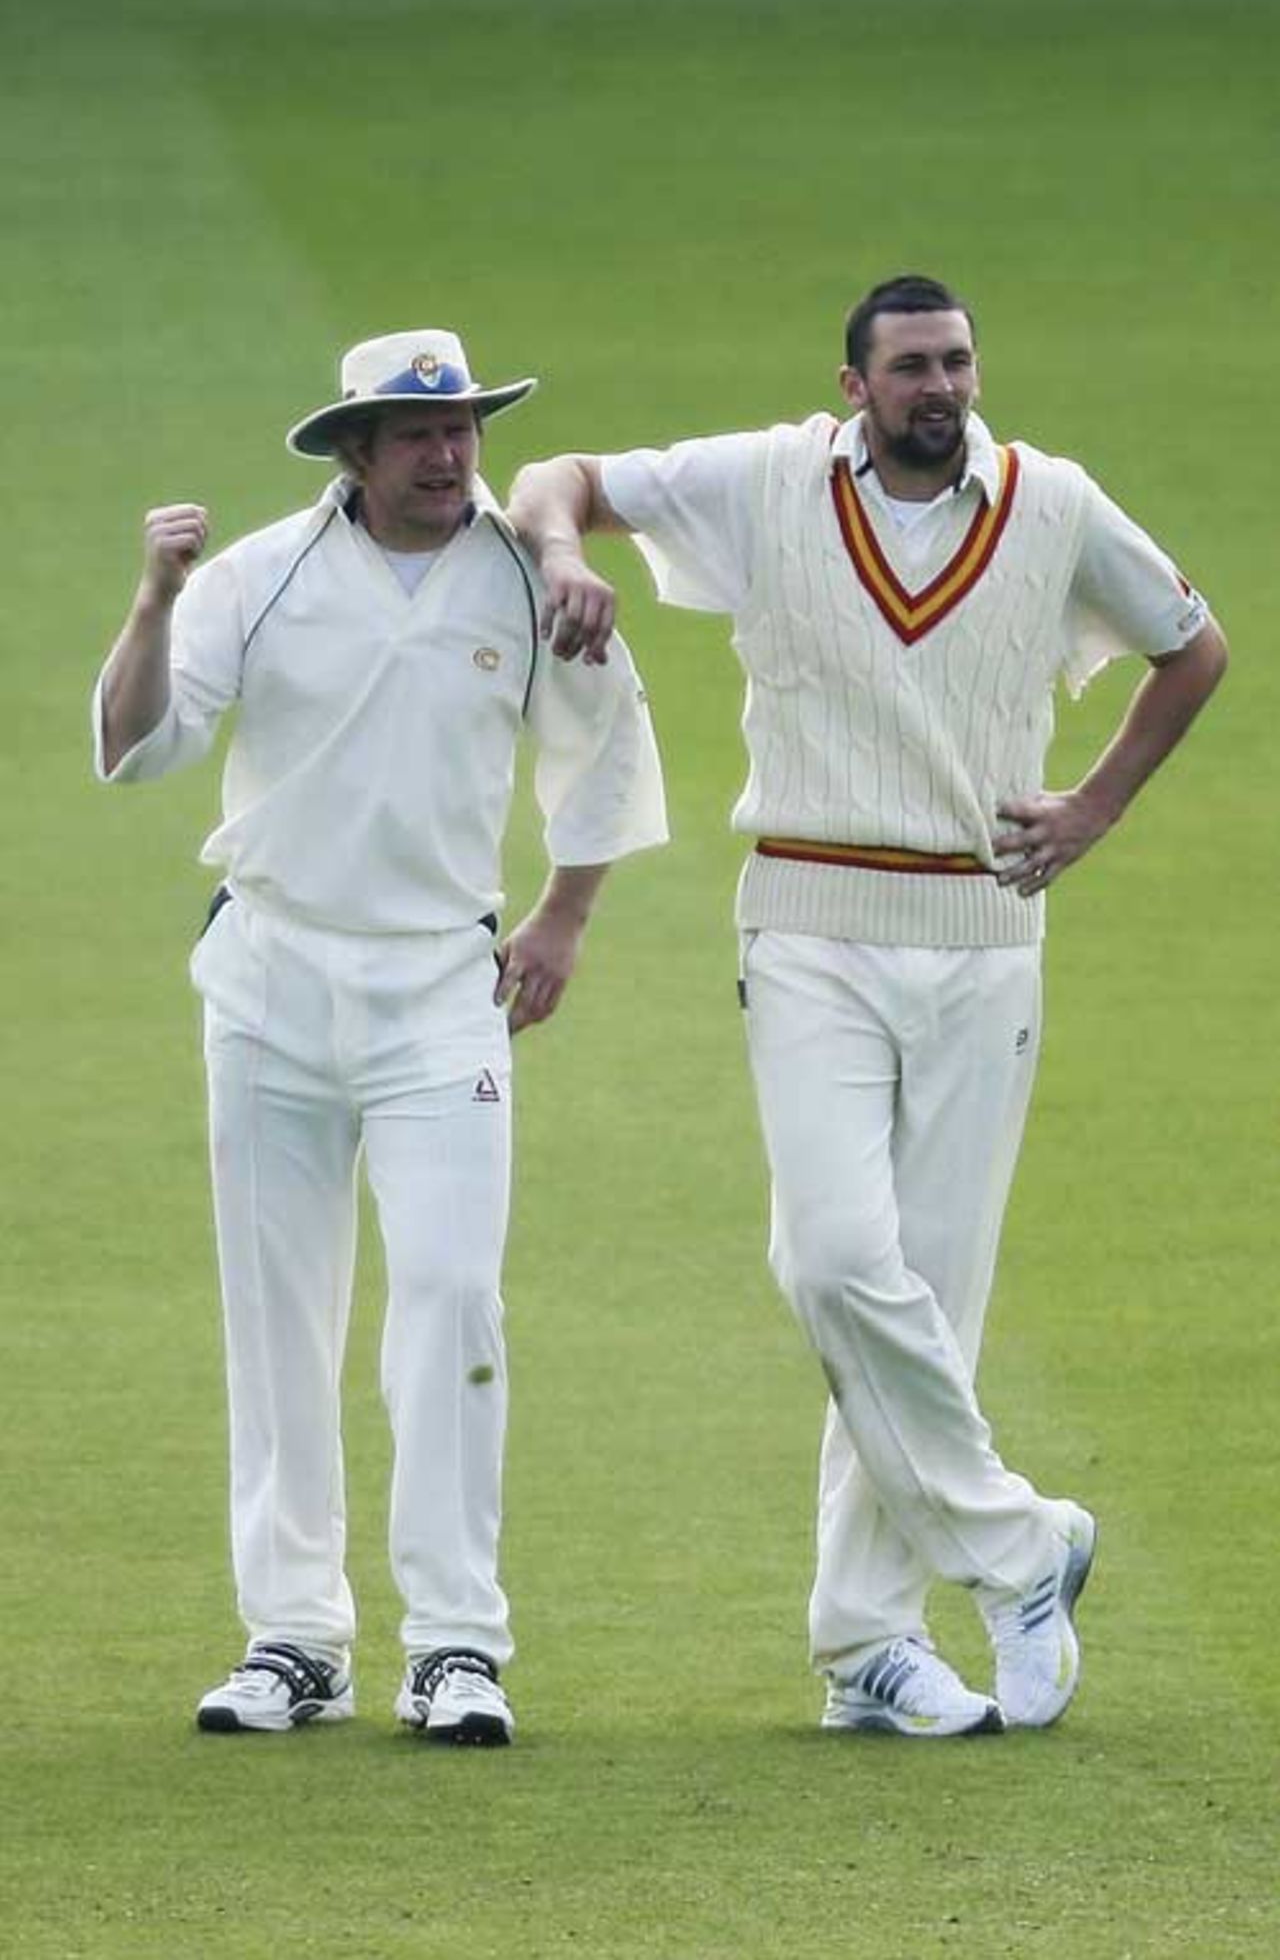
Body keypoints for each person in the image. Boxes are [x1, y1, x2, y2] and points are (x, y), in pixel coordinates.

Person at [507, 275, 1227, 1738]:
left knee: (929, 1312)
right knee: (836, 1259)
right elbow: (556, 477)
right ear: (853, 386)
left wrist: (1096, 805)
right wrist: (560, 553)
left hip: (983, 931)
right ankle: (1025, 1551)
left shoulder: (1053, 501)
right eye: (909, 367)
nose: (940, 387)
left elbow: (1194, 645)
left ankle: (867, 1644)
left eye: (957, 362)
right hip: (812, 921)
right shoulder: (770, 483)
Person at [93, 328, 667, 1745]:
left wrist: (563, 918)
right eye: (413, 432)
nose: (447, 451)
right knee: (279, 1312)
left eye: (461, 425)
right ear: (353, 450)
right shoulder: (256, 575)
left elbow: (609, 755)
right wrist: (154, 599)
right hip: (271, 975)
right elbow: (130, 744)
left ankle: (457, 1645)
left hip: (437, 986)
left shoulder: (529, 573)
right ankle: (294, 1635)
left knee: (454, 1301)